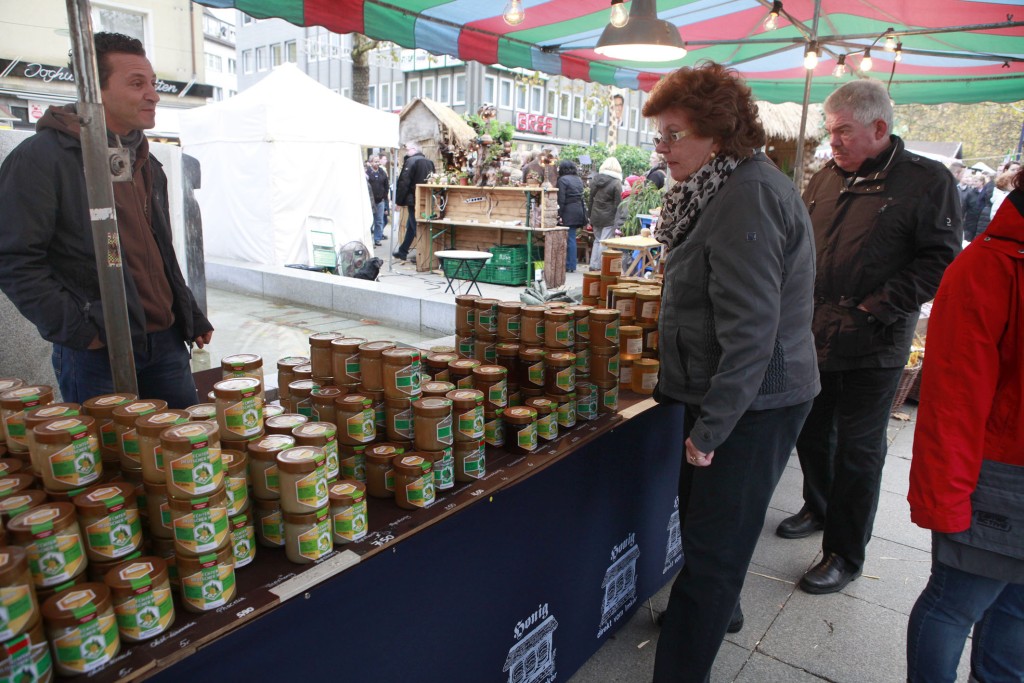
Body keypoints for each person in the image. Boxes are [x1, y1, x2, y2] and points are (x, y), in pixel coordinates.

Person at [644, 62, 819, 683]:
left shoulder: (747, 196)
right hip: (727, 390)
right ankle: (723, 612)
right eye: (659, 135)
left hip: (753, 402)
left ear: (717, 134)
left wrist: (711, 428)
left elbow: (751, 335)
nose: (662, 148)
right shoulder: (717, 186)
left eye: (674, 135)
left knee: (714, 555)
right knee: (711, 531)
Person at [777, 79, 961, 594]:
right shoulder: (825, 178)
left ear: (879, 127)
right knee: (813, 432)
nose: (832, 141)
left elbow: (940, 259)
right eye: (830, 131)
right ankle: (819, 506)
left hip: (875, 339)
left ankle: (844, 552)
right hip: (815, 331)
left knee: (858, 450)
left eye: (842, 131)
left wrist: (874, 307)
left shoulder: (927, 181)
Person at [0, 32, 213, 408]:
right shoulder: (42, 159)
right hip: (96, 352)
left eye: (153, 83)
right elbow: (14, 259)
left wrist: (189, 313)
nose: (153, 95)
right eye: (137, 83)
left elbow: (157, 251)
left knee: (183, 438)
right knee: (112, 446)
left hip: (165, 343)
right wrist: (81, 331)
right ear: (94, 92)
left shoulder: (146, 161)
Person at [906, 164, 1024, 683]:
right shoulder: (987, 266)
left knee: (1015, 607)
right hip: (997, 477)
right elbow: (953, 402)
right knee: (957, 600)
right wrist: (946, 502)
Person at [393, 141, 434, 262]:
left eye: (407, 149)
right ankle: (403, 251)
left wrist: (399, 201)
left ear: (414, 149)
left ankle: (423, 256)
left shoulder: (411, 161)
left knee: (416, 226)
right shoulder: (429, 162)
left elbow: (404, 183)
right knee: (411, 226)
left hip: (413, 198)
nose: (406, 152)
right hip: (426, 198)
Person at [586, 157, 623, 271]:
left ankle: (593, 265)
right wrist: (618, 220)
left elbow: (590, 199)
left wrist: (589, 215)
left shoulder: (595, 180)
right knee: (605, 242)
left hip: (595, 215)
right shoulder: (616, 183)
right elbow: (618, 204)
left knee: (597, 240)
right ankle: (602, 267)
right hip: (609, 217)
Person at [555, 160, 587, 274]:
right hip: (578, 210)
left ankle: (569, 264)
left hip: (568, 211)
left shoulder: (562, 180)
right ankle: (571, 264)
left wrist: (559, 214)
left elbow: (561, 199)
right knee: (572, 237)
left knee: (570, 238)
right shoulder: (578, 179)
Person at [366, 155, 389, 247]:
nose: (377, 163)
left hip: (380, 201)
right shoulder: (367, 173)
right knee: (369, 221)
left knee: (379, 221)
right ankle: (368, 240)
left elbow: (386, 185)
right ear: (371, 162)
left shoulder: (382, 172)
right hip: (370, 202)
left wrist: (384, 196)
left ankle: (377, 239)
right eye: (375, 161)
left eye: (378, 161)